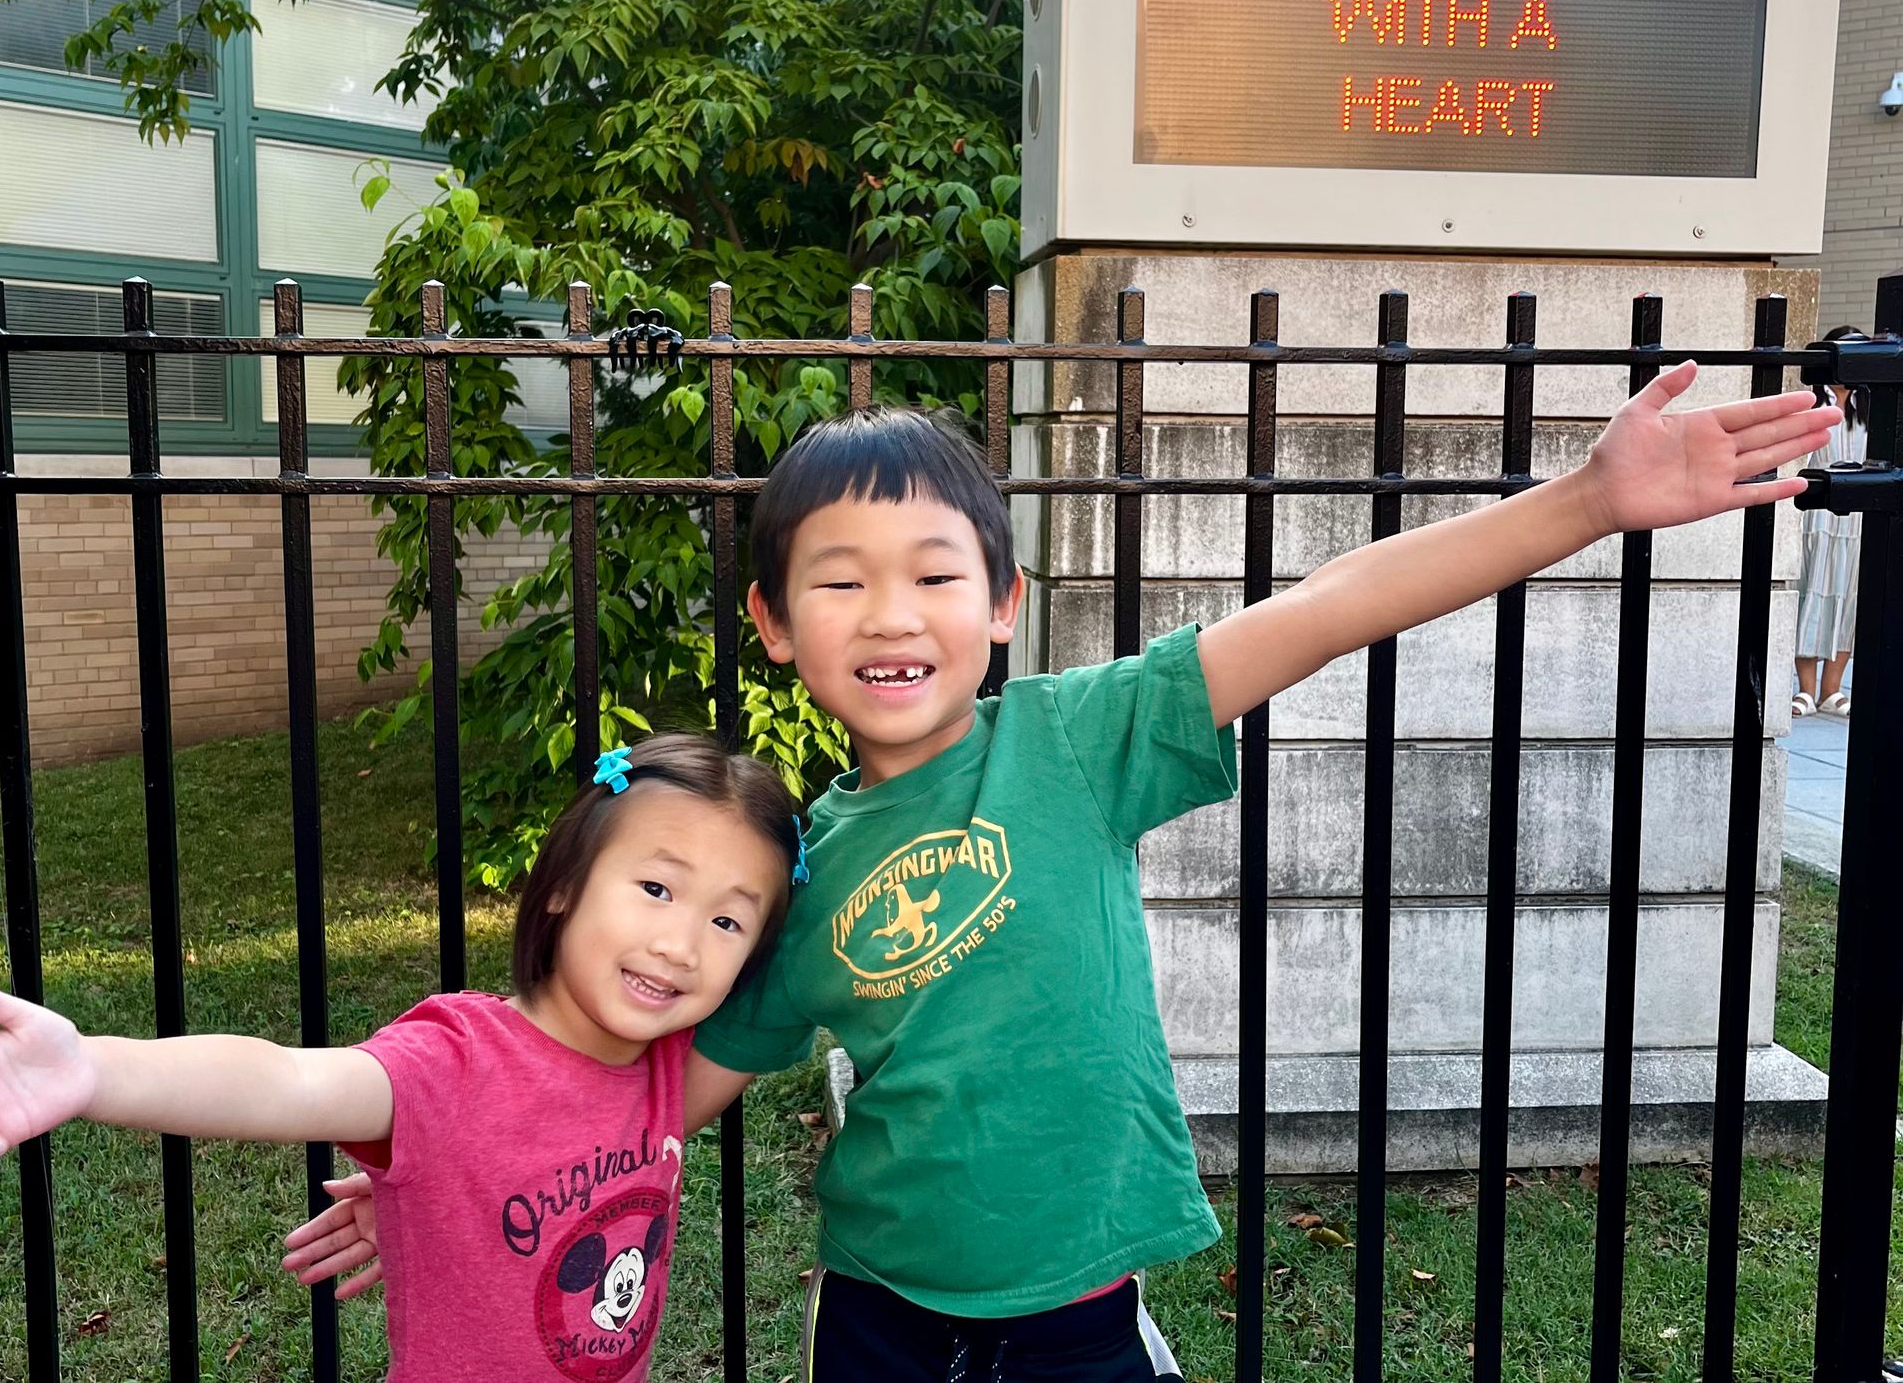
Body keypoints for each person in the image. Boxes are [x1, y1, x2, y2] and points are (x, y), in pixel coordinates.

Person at [290, 362, 1838, 1381]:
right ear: (772, 624)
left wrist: (1589, 502)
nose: (891, 614)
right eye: (839, 582)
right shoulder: (791, 872)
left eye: (934, 575)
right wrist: (454, 1167)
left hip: (1081, 1320)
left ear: (1005, 604)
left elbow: (1332, 605)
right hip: (879, 1316)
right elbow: (651, 1092)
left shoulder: (1083, 738)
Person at [0, 733, 802, 1383]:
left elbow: (812, 971)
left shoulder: (667, 1074)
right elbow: (284, 1079)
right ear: (564, 883)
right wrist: (98, 1070)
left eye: (728, 919)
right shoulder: (455, 1061)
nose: (682, 944)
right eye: (656, 887)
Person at [1792, 325, 1870, 718]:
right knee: (1813, 593)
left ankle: (1832, 689)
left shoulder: (1873, 402)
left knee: (1848, 597)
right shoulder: (1811, 399)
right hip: (1818, 514)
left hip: (1858, 518)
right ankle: (1806, 690)